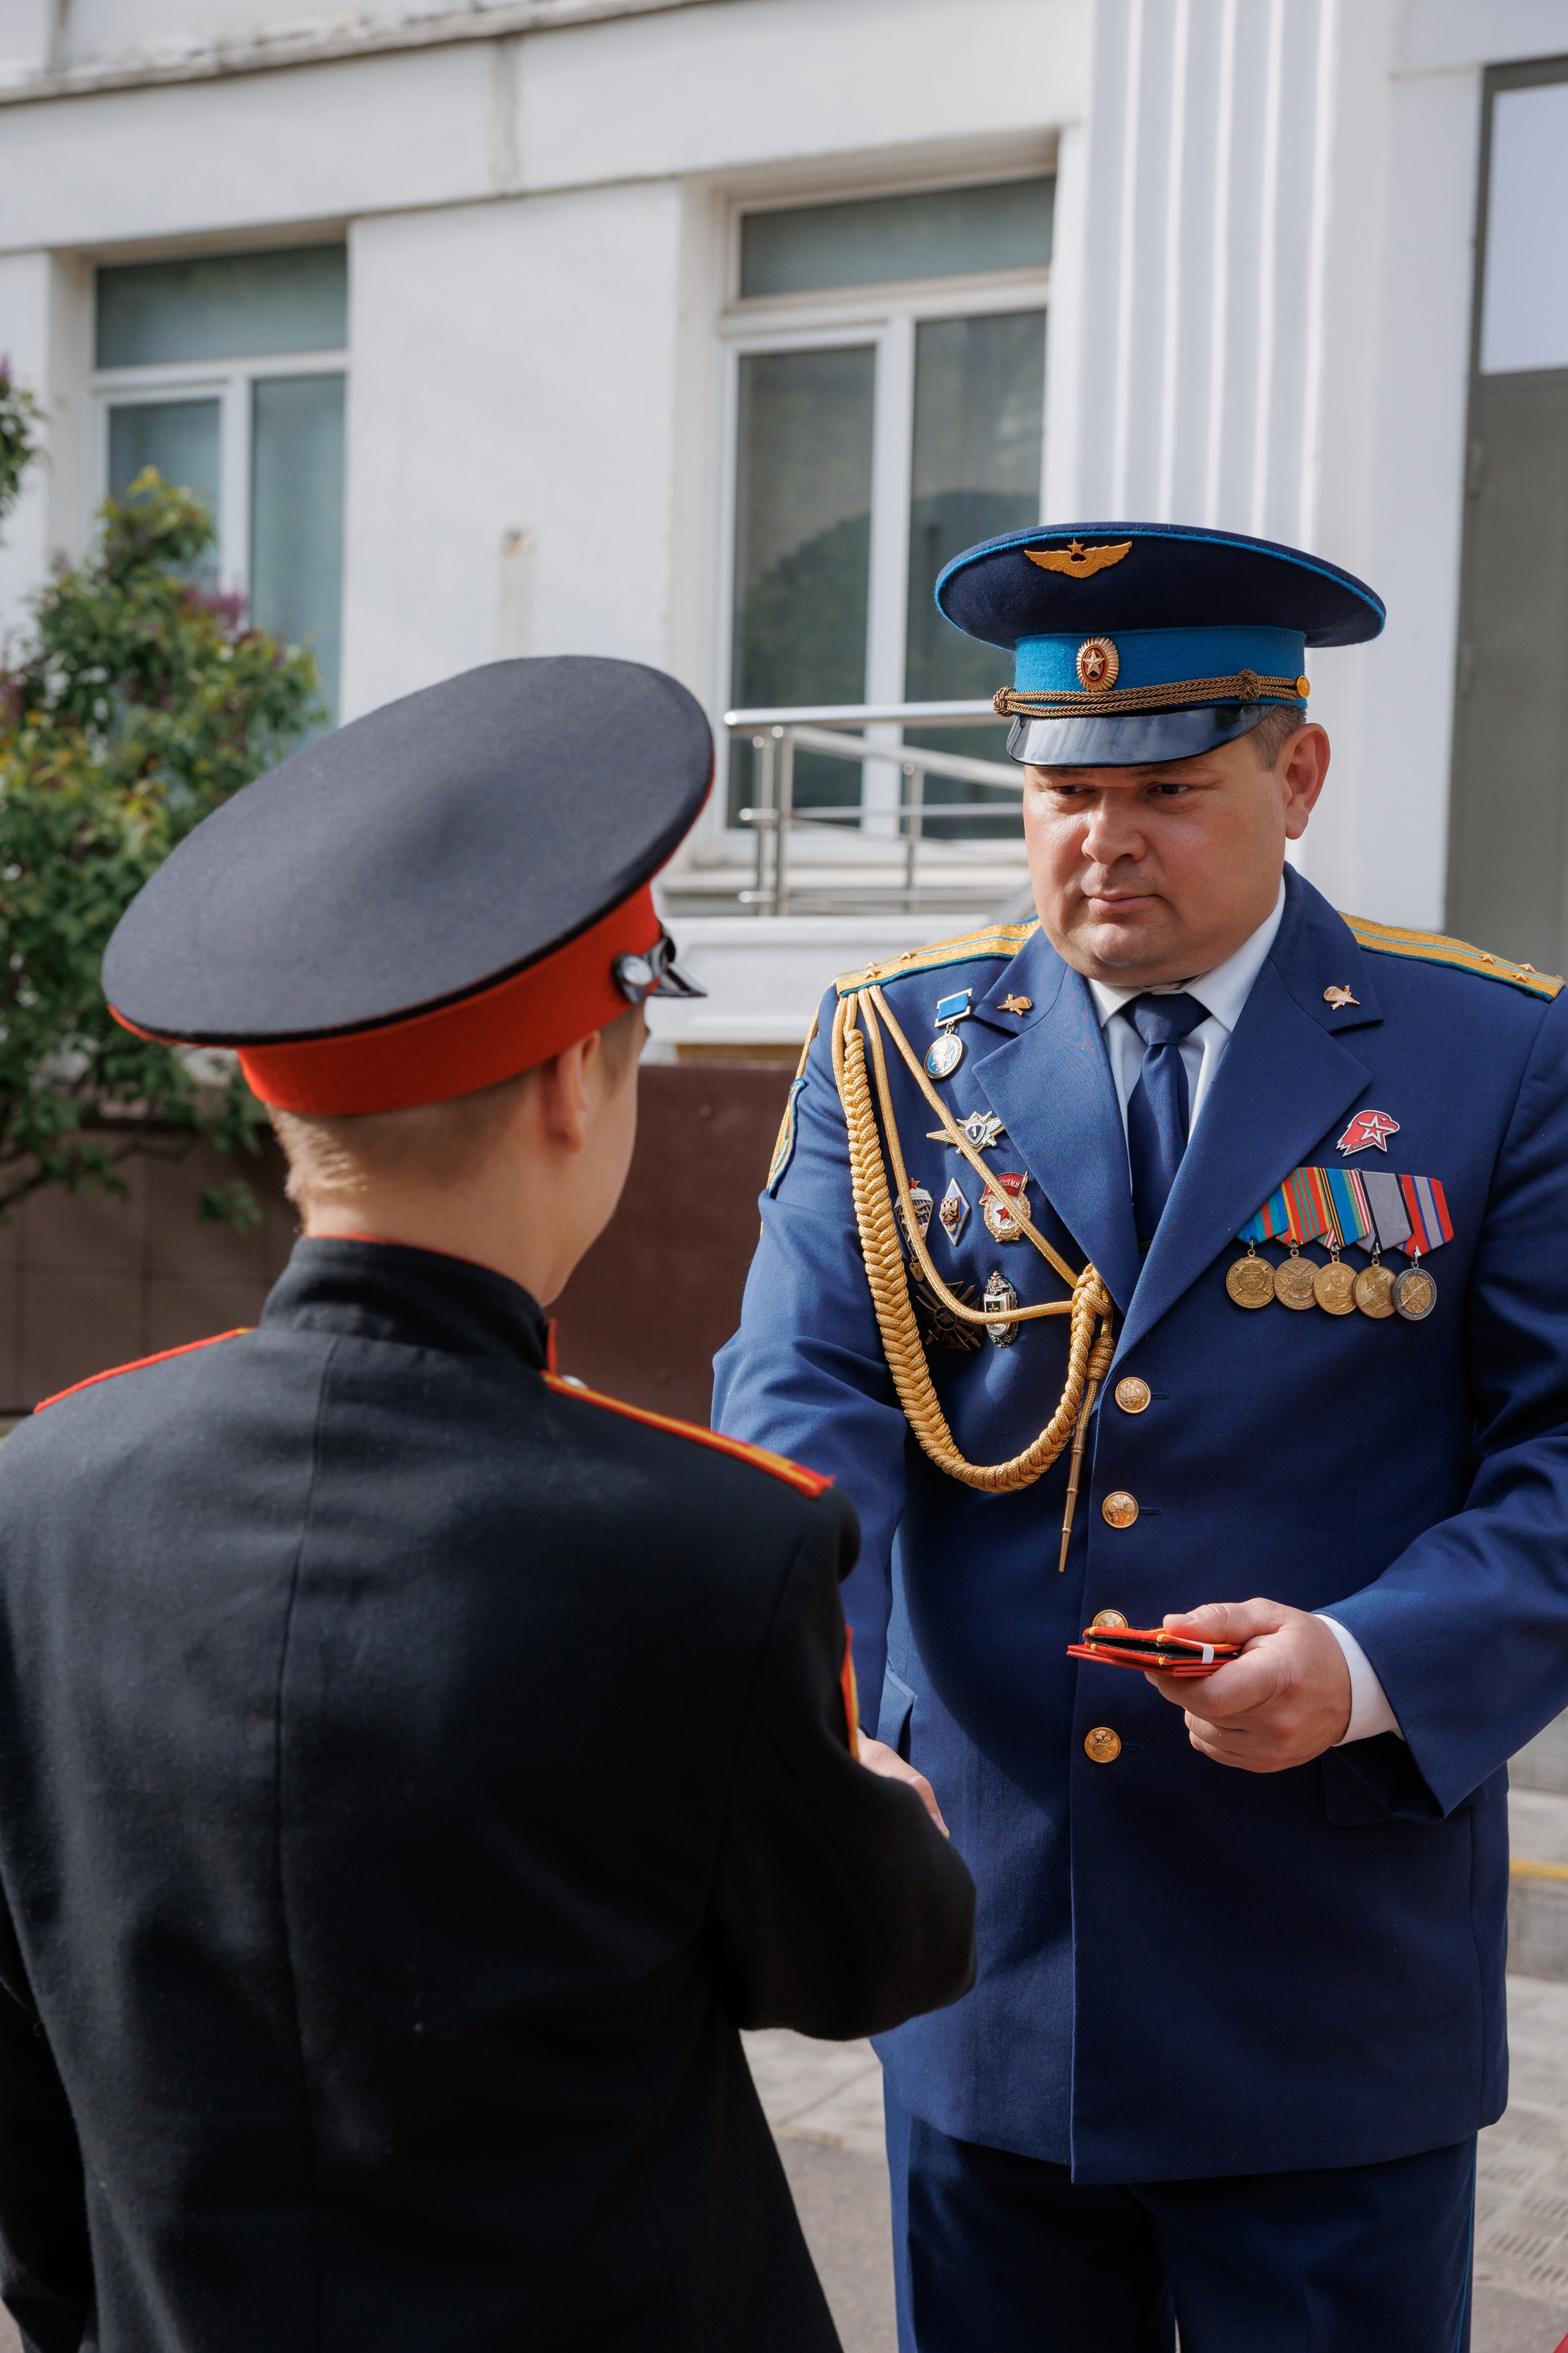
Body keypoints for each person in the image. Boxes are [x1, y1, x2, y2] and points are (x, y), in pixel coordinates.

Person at [0, 655, 976, 2353]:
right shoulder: (706, 1543)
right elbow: (873, 1960)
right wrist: (890, 1801)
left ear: (272, 1094)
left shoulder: (39, 1497)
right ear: (569, 1085)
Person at [712, 523, 1568, 2352]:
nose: (1103, 837)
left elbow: (1558, 1465)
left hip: (1325, 1992)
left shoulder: (1487, 1056)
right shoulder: (899, 1050)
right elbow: (806, 1410)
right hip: (995, 1966)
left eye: (1169, 787)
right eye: (1062, 787)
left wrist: (1360, 1662)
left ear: (1300, 775)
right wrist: (819, 1713)